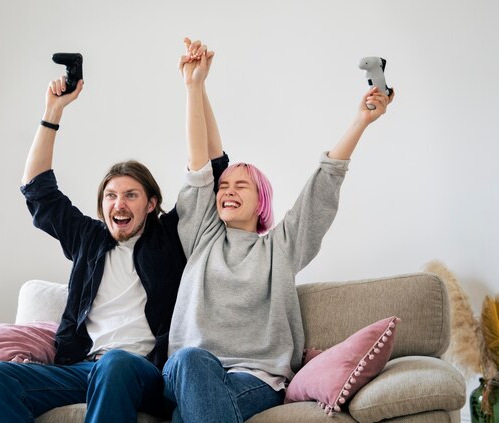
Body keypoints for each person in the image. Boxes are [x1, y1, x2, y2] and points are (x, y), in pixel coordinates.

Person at [0, 73, 229, 422]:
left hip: (145, 373)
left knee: (116, 363)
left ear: (151, 204)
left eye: (130, 195)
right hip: (83, 369)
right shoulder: (88, 239)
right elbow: (36, 189)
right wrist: (53, 111)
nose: (118, 204)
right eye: (111, 196)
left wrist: (195, 88)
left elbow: (208, 171)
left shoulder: (170, 237)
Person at [162, 38, 394, 423]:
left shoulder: (281, 248)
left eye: (241, 186)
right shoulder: (201, 236)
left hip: (254, 380)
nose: (227, 191)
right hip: (187, 370)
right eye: (223, 187)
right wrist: (194, 86)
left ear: (261, 201)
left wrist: (361, 121)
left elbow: (323, 186)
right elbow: (199, 166)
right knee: (191, 365)